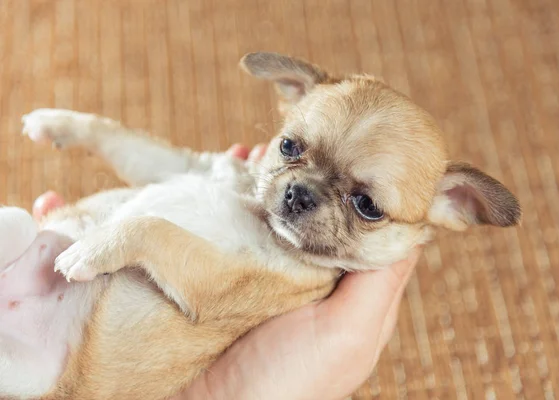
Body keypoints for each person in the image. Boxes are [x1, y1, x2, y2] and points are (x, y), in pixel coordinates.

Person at [32, 144, 422, 400]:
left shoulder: (289, 281)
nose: (302, 194)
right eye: (292, 149)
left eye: (365, 204)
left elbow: (209, 288)